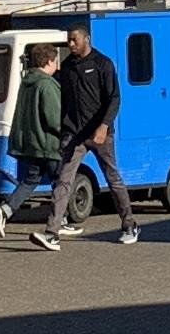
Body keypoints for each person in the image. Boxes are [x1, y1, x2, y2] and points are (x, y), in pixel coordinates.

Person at [52, 18, 139, 244]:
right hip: (74, 134)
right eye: (68, 40)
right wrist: (63, 131)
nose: (70, 44)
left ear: (86, 39)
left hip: (100, 133)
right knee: (63, 179)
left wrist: (104, 126)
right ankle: (51, 232)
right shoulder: (68, 66)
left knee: (113, 178)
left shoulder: (103, 64)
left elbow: (115, 99)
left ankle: (129, 225)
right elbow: (64, 100)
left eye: (74, 40)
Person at [6, 40, 72, 247]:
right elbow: (53, 117)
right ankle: (58, 223)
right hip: (49, 145)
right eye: (55, 61)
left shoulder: (27, 83)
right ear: (49, 61)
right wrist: (67, 132)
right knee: (61, 181)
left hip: (31, 143)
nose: (58, 66)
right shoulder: (47, 84)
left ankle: (5, 209)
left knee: (30, 180)